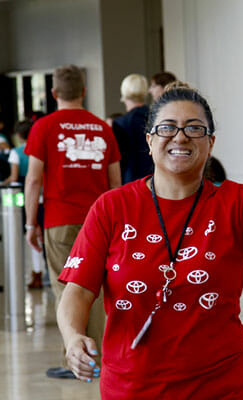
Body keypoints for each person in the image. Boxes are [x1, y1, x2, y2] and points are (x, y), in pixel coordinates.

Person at [55, 81, 243, 398]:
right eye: (167, 128)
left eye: (194, 128)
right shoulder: (111, 208)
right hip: (132, 387)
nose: (180, 136)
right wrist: (73, 336)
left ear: (211, 143)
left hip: (220, 386)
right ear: (149, 141)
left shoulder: (236, 204)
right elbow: (77, 291)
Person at [24, 65, 121, 379]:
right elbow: (115, 181)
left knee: (67, 288)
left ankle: (81, 361)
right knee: (96, 290)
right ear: (84, 91)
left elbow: (34, 179)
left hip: (61, 220)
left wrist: (30, 223)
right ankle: (97, 357)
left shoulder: (44, 127)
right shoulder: (103, 128)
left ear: (53, 94)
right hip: (101, 220)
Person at [3, 120, 45, 289]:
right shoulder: (42, 149)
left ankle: (34, 273)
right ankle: (42, 271)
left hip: (25, 198)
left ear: (18, 136)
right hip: (45, 196)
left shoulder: (16, 152)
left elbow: (14, 178)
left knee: (30, 235)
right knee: (43, 237)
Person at [112, 73, 153, 183]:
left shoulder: (120, 123)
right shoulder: (157, 117)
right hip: (156, 180)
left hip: (130, 181)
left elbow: (119, 162)